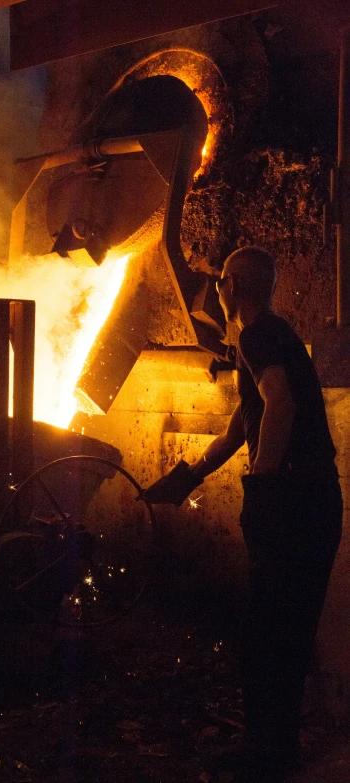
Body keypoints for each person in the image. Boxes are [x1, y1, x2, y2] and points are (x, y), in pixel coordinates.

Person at [143, 246, 342, 782]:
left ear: (234, 286)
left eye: (221, 282)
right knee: (282, 633)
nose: (217, 290)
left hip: (295, 505)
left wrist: (263, 487)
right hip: (315, 502)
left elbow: (279, 405)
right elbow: (241, 426)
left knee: (268, 634)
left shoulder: (256, 335)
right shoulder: (274, 335)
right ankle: (277, 750)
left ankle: (267, 757)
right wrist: (187, 477)